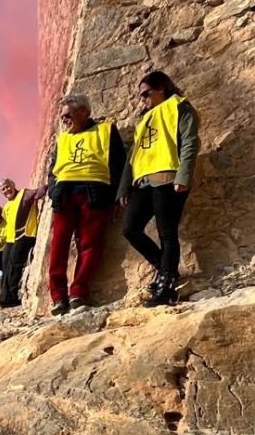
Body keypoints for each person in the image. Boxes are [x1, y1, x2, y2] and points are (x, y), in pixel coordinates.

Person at [119, 71, 200, 307]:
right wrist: (124, 188)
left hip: (167, 176)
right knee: (130, 228)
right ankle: (165, 270)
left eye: (146, 93)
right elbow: (132, 157)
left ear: (161, 88)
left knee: (167, 232)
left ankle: (166, 285)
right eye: (140, 95)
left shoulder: (179, 107)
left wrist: (184, 174)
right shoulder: (144, 120)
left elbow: (189, 141)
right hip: (142, 182)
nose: (142, 99)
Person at [46, 93, 125, 315]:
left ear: (83, 112)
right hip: (64, 195)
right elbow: (52, 171)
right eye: (62, 118)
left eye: (67, 115)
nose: (64, 121)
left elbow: (119, 164)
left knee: (90, 244)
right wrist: (53, 191)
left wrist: (119, 194)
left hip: (95, 193)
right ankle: (58, 297)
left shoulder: (106, 130)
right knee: (58, 246)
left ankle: (78, 292)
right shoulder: (62, 140)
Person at [0, 179, 47, 307]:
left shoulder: (24, 194)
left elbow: (39, 192)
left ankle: (12, 298)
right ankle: (4, 297)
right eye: (3, 189)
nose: (6, 190)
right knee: (6, 266)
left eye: (8, 187)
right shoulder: (6, 206)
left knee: (14, 265)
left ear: (13, 185)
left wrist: (50, 183)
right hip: (11, 239)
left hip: (25, 235)